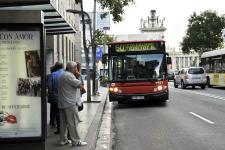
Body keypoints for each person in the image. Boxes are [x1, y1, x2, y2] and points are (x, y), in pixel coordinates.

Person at [58, 61, 87, 147]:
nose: (76, 69)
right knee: (72, 123)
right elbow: (79, 85)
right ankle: (76, 141)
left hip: (63, 102)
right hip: (70, 103)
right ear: (72, 68)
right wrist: (78, 76)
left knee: (63, 123)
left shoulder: (63, 75)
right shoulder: (69, 76)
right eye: (75, 68)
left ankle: (63, 140)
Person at [48, 62, 64, 134]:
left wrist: (51, 95)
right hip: (65, 98)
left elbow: (50, 87)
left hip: (55, 98)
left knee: (57, 113)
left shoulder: (52, 75)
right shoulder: (66, 74)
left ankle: (59, 129)